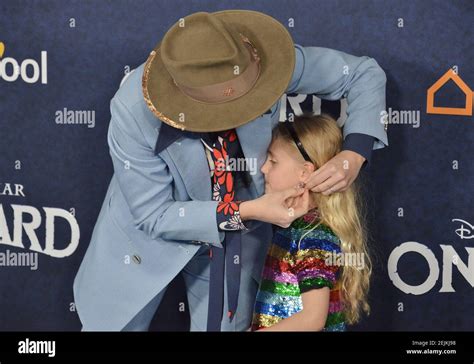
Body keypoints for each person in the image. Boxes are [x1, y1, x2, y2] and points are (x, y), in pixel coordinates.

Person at [73, 9, 388, 331]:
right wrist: (249, 209)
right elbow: (154, 214)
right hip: (148, 240)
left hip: (237, 242)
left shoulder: (267, 65)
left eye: (251, 102)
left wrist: (354, 152)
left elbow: (363, 73)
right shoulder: (133, 109)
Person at [251, 113, 371, 331]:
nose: (263, 169)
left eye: (273, 161)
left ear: (305, 172)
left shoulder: (312, 235)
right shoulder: (298, 227)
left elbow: (312, 319)